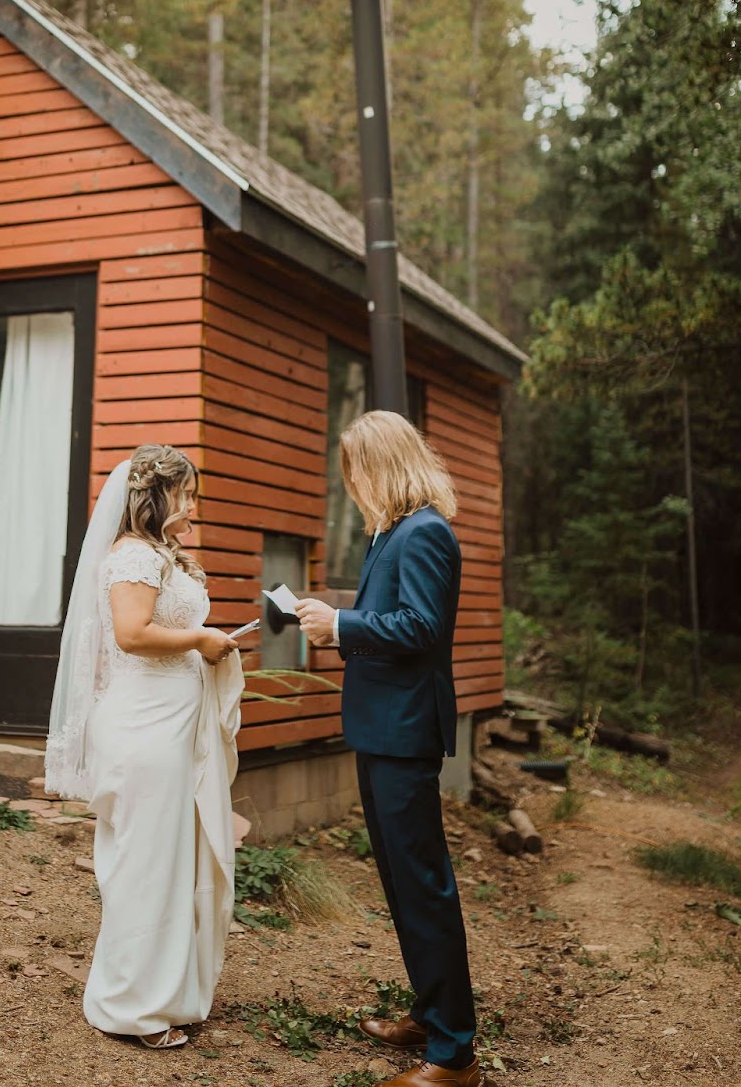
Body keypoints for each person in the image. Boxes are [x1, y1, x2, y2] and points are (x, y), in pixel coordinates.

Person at [296, 410, 484, 1087]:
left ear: (383, 464)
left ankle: (454, 1055)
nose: (351, 481)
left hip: (404, 732)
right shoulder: (392, 534)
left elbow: (420, 625)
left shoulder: (425, 531)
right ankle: (433, 1016)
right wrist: (336, 618)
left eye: (356, 467)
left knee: (424, 888)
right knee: (404, 888)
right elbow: (393, 616)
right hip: (381, 727)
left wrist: (342, 623)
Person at [45, 444, 244, 1051]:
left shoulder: (161, 555)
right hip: (144, 725)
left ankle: (168, 992)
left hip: (173, 721)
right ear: (153, 497)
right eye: (184, 493)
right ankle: (128, 1005)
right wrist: (200, 640)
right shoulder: (132, 555)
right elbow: (132, 635)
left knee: (172, 861)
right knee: (146, 865)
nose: (192, 504)